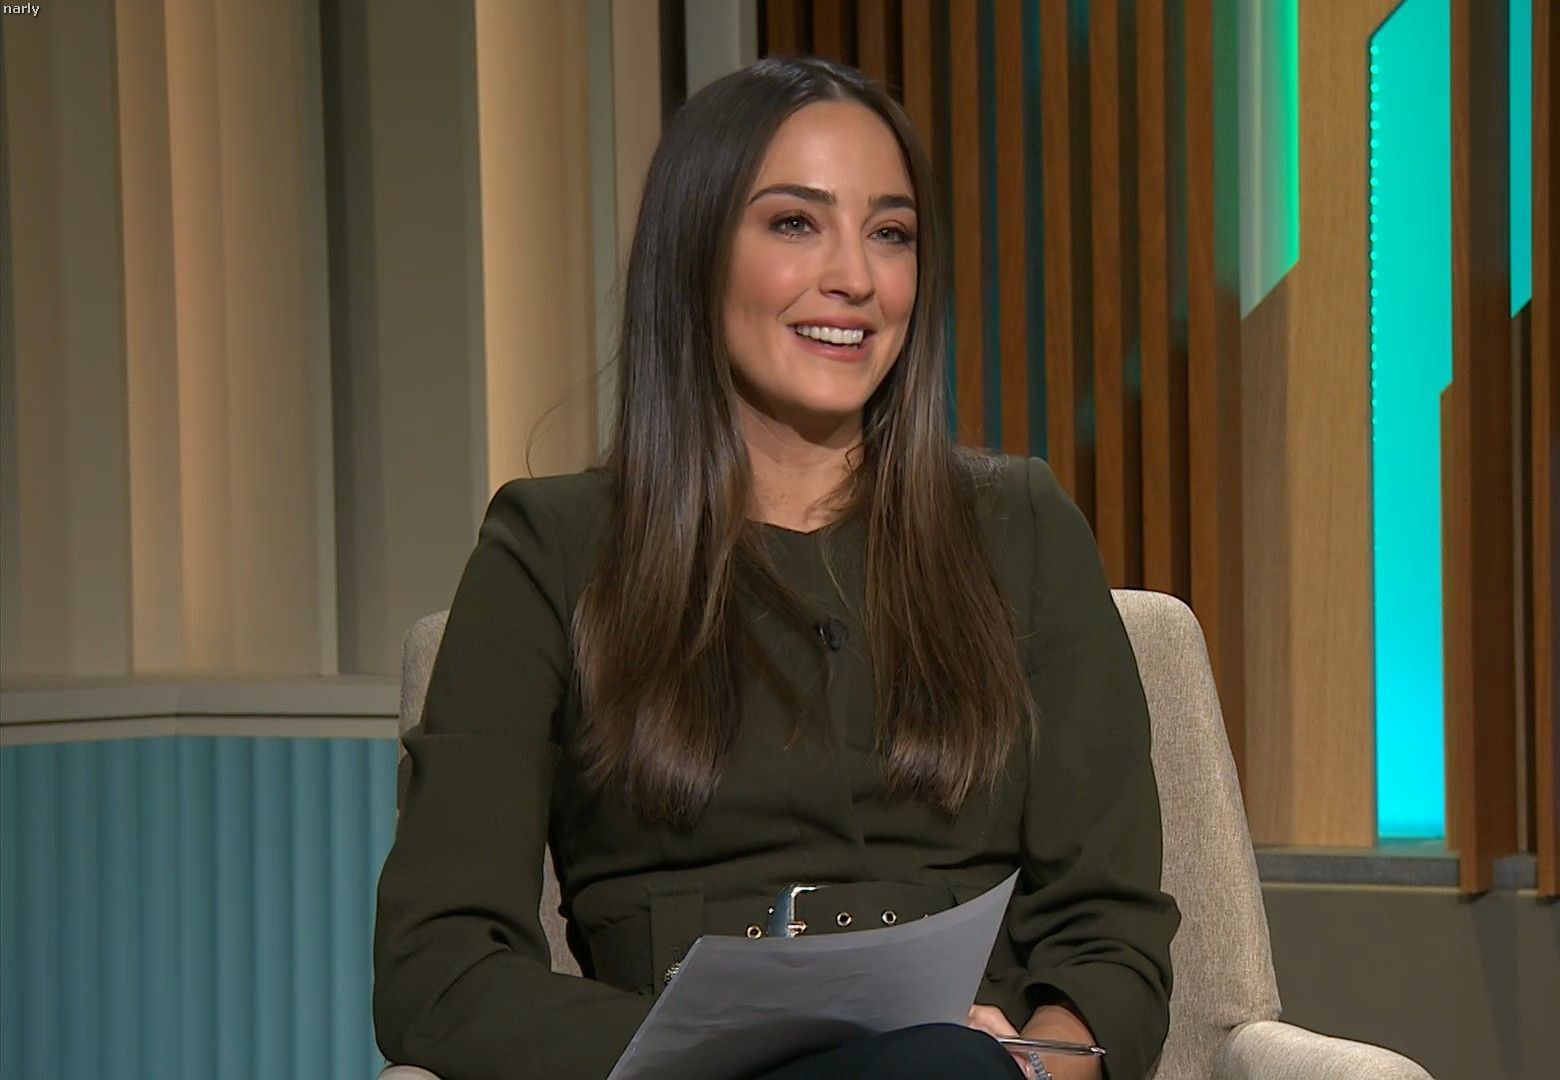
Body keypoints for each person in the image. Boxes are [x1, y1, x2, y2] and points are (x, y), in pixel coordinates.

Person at [371, 55, 1177, 1080]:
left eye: (890, 234)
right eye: (795, 223)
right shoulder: (551, 548)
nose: (855, 278)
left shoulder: (1018, 528)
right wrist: (713, 1057)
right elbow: (439, 971)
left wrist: (1035, 1063)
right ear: (696, 250)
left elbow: (1110, 937)